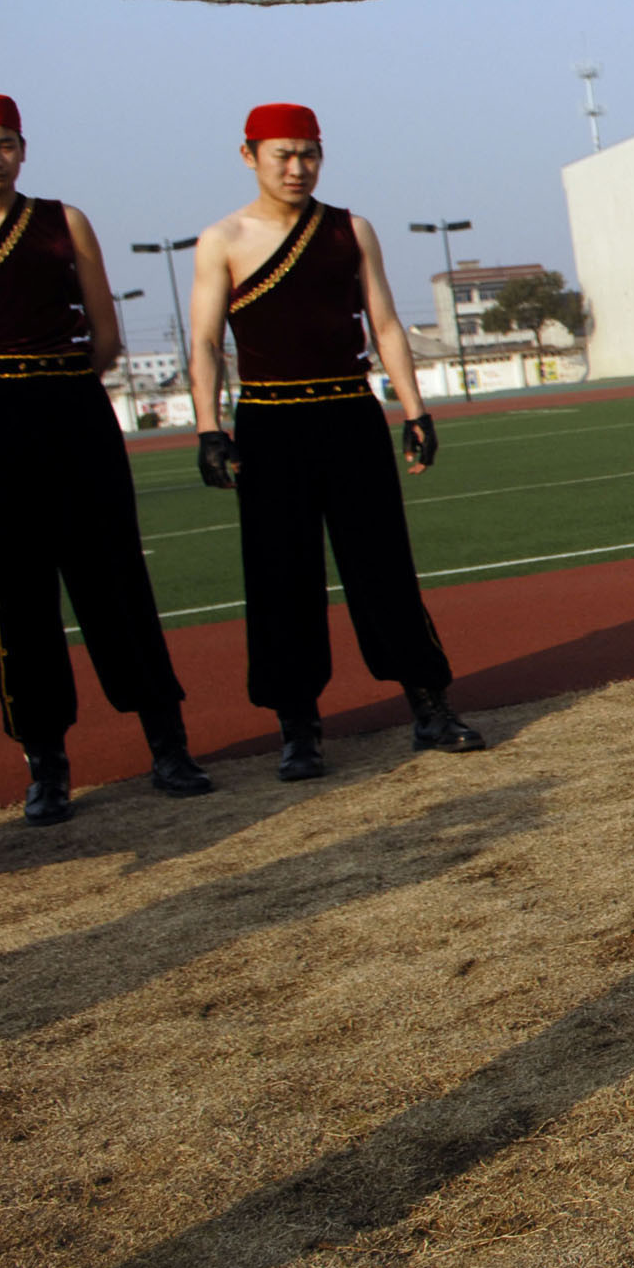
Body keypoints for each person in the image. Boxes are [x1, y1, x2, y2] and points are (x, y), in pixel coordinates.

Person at [186, 103, 484, 780]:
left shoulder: (350, 229)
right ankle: (298, 728)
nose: (296, 168)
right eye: (282, 155)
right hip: (268, 425)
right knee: (280, 578)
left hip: (350, 416)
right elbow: (205, 340)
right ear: (249, 155)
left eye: (308, 155)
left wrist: (416, 412)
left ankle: (430, 706)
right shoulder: (223, 239)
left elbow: (384, 323)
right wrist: (209, 427)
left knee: (382, 567)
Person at [0, 92, 212, 824]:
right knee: (11, 601)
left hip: (72, 419)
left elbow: (105, 333)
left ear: (24, 147)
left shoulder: (60, 221)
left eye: (6, 144)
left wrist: (60, 392)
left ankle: (167, 745)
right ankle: (46, 765)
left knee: (115, 584)